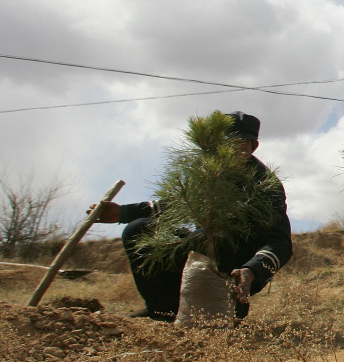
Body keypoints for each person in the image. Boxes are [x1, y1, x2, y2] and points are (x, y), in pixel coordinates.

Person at [91, 111, 293, 322]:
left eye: (240, 143)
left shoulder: (264, 186)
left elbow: (279, 242)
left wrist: (251, 271)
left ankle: (222, 311)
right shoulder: (208, 173)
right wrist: (123, 213)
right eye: (224, 144)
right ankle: (162, 310)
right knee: (138, 229)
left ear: (254, 146)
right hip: (198, 246)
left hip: (233, 266)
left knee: (217, 239)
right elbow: (177, 204)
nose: (231, 151)